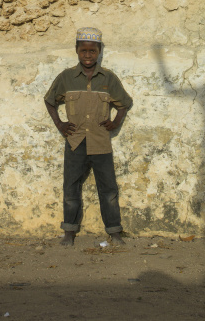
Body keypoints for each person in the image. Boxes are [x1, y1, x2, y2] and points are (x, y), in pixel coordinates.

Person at [44, 27, 133, 246]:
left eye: (92, 51)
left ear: (99, 51)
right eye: (83, 50)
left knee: (109, 188)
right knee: (71, 187)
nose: (87, 55)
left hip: (101, 141)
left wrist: (116, 121)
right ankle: (69, 232)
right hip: (75, 142)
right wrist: (60, 124)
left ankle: (114, 232)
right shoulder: (66, 77)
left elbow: (125, 103)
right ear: (76, 50)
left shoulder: (109, 78)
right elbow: (50, 101)